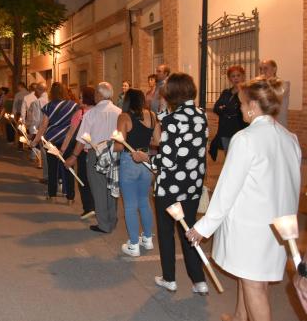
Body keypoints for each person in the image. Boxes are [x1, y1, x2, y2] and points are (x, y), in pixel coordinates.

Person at [187, 77, 300, 321]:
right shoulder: (289, 138)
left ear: (252, 105)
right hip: (278, 227)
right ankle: (239, 317)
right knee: (250, 278)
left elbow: (227, 190)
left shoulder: (245, 139)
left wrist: (203, 228)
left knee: (254, 287)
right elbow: (293, 185)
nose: (238, 109)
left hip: (251, 226)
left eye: (240, 104)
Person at [132, 73, 209, 295]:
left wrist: (145, 158)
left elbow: (166, 160)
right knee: (189, 231)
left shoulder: (174, 120)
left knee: (166, 233)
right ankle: (199, 280)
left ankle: (169, 278)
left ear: (171, 93)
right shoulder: (201, 115)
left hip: (171, 186)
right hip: (192, 185)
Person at [65, 82, 121, 233]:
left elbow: (82, 139)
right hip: (114, 153)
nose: (95, 95)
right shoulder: (119, 112)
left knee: (98, 189)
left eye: (96, 93)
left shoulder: (91, 114)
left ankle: (104, 224)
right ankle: (112, 219)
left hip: (95, 153)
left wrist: (73, 156)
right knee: (112, 188)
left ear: (99, 95)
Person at [113, 89, 160, 257]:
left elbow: (119, 146)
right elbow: (158, 141)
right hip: (146, 161)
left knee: (130, 206)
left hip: (129, 161)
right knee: (144, 202)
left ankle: (134, 244)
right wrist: (145, 141)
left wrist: (114, 141)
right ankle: (147, 239)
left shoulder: (124, 117)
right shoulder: (153, 116)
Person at [31, 82, 79, 203]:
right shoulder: (73, 106)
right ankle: (70, 197)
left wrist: (35, 140)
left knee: (52, 168)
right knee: (69, 167)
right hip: (68, 141)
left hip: (51, 140)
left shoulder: (49, 106)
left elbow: (43, 126)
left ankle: (52, 195)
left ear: (52, 93)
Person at [61, 87, 96, 219]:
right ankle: (97, 206)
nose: (79, 99)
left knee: (83, 179)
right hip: (97, 150)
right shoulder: (99, 112)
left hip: (82, 150)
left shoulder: (80, 113)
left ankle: (88, 207)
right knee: (95, 180)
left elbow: (71, 133)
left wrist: (64, 149)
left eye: (81, 97)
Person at [209, 66, 248, 160]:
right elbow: (216, 108)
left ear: (243, 76)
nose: (236, 78)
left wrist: (225, 108)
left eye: (238, 75)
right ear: (229, 78)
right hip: (225, 129)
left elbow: (239, 110)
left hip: (240, 129)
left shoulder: (247, 92)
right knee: (228, 157)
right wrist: (224, 109)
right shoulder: (226, 92)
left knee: (240, 157)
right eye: (233, 76)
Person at [259, 59, 289, 127]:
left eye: (265, 68)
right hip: (264, 124)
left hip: (278, 124)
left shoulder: (282, 84)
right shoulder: (262, 85)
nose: (262, 71)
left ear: (274, 69)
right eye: (261, 69)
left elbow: (270, 98)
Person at [26, 83, 48, 171]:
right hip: (50, 128)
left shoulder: (37, 102)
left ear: (39, 90)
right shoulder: (50, 100)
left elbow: (36, 118)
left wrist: (32, 130)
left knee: (41, 147)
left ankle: (40, 163)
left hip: (40, 127)